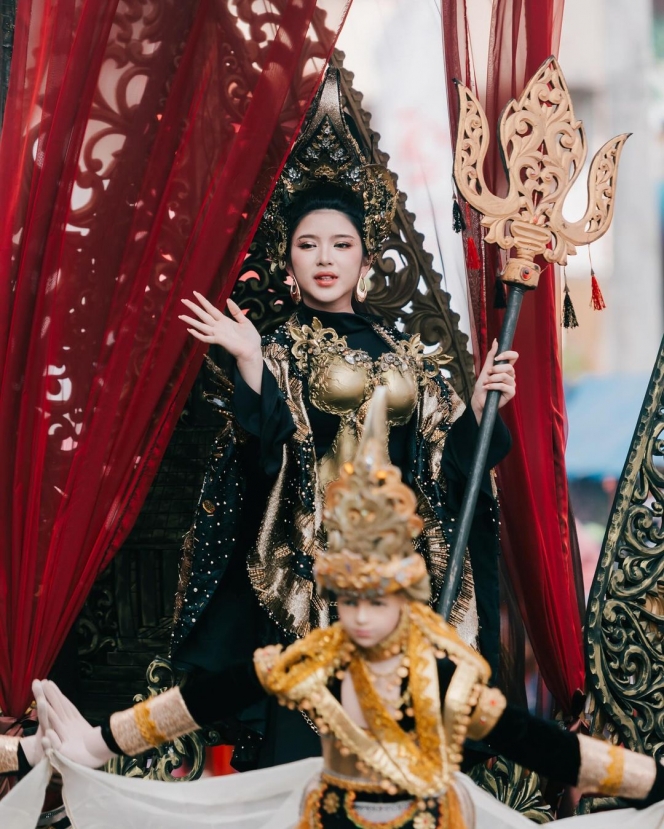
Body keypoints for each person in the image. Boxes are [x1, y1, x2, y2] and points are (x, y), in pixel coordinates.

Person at [13, 389, 664, 829]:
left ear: (406, 592)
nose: (357, 616)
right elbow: (203, 698)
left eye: (374, 600)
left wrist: (652, 781)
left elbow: (542, 745)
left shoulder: (441, 673)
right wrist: (98, 744)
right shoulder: (314, 657)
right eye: (345, 597)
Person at [171, 69, 517, 768]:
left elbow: (449, 470)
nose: (325, 258)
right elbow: (266, 465)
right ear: (289, 264)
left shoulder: (409, 358)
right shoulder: (278, 350)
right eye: (308, 245)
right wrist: (250, 367)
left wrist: (478, 410)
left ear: (366, 258)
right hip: (316, 576)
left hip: (406, 578)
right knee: (313, 757)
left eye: (340, 244)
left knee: (408, 756)